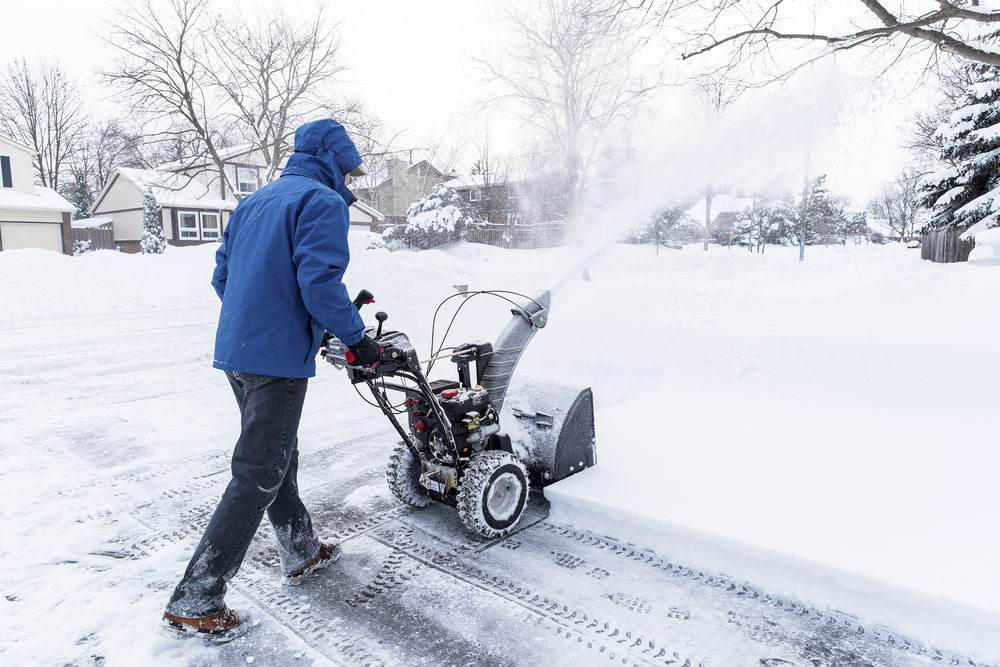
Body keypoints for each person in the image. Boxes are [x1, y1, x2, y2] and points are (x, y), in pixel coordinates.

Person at [162, 119, 381, 642]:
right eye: (348, 170)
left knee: (276, 455)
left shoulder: (255, 201)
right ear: (331, 159)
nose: (349, 181)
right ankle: (197, 597)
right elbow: (319, 282)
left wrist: (258, 321)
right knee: (258, 472)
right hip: (276, 360)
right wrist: (358, 340)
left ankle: (300, 548)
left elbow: (222, 275)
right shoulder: (321, 202)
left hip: (238, 351)